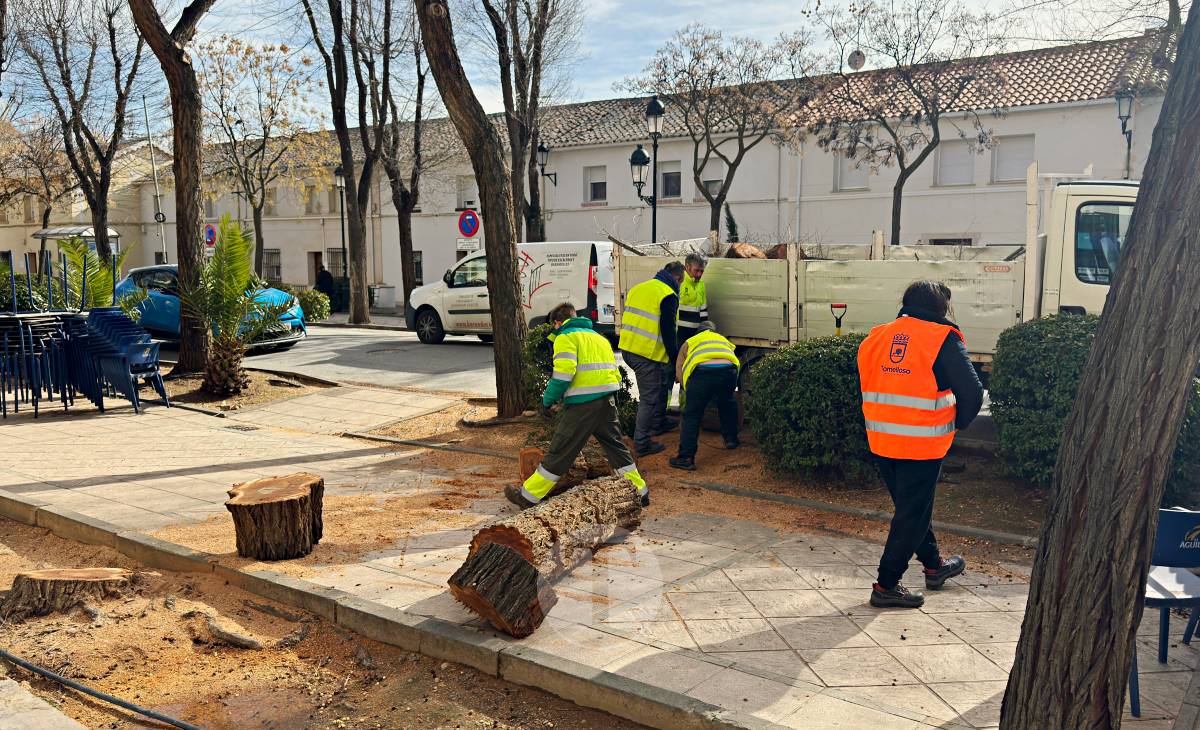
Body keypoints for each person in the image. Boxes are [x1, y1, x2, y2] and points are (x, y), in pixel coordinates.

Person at [857, 280, 984, 609]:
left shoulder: (876, 336)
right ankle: (886, 584)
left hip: (882, 438)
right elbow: (972, 392)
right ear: (941, 307)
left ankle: (934, 566)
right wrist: (957, 422)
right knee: (912, 513)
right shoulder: (940, 338)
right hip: (922, 442)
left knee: (912, 509)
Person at [506, 303, 649, 510]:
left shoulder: (565, 337)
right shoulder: (599, 338)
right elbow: (614, 373)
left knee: (560, 450)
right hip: (607, 402)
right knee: (616, 448)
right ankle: (640, 492)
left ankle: (528, 496)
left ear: (558, 322)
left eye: (554, 326)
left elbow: (564, 374)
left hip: (582, 405)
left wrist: (547, 400)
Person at [618, 261, 684, 456]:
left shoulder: (639, 288)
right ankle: (642, 443)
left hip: (628, 349)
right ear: (678, 279)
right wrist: (674, 358)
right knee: (649, 398)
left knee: (652, 393)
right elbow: (668, 331)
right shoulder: (667, 295)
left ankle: (658, 423)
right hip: (644, 354)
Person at [669, 322, 739, 471]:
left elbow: (679, 368)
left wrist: (688, 389)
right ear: (714, 331)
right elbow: (732, 356)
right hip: (729, 371)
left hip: (701, 374)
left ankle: (686, 458)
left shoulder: (691, 341)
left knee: (692, 415)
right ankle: (731, 440)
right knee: (727, 404)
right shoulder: (723, 339)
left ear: (698, 332)